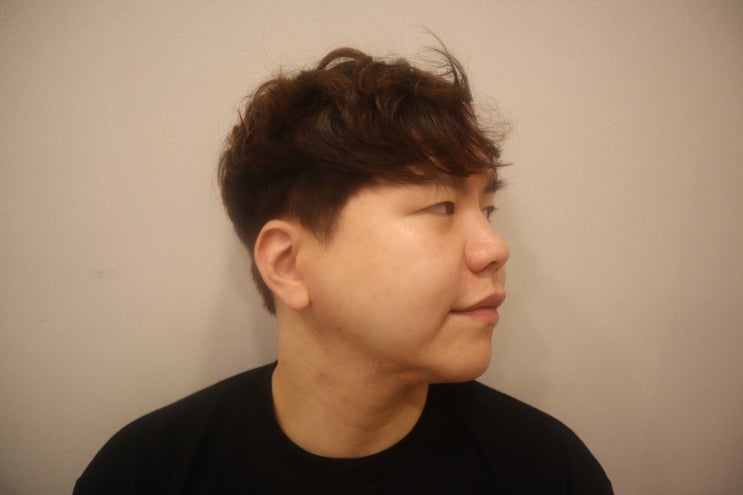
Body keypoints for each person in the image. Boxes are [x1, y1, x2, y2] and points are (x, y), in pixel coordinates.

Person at [74, 45, 613, 494]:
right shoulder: (144, 474)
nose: (495, 248)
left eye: (486, 210)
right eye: (442, 207)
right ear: (288, 264)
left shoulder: (546, 471)